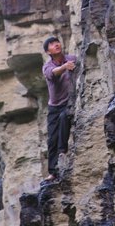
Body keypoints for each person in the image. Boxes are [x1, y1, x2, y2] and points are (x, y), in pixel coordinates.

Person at [41, 36, 76, 181]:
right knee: (51, 139)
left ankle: (63, 152)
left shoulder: (72, 58)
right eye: (51, 44)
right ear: (48, 52)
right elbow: (53, 73)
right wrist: (64, 67)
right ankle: (53, 172)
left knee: (64, 118)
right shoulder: (47, 66)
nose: (56, 45)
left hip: (69, 102)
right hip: (54, 106)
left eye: (57, 42)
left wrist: (69, 65)